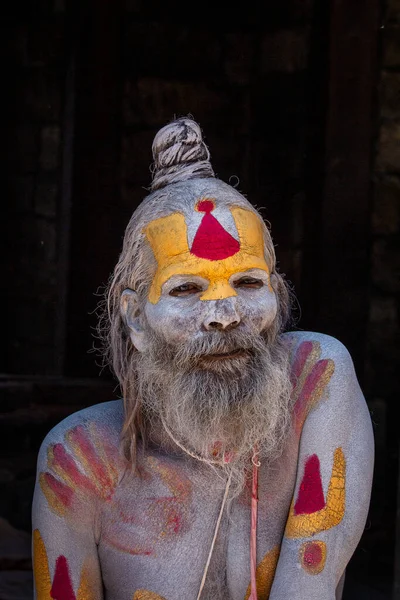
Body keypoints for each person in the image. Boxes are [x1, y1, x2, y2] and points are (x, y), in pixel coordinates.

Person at [32, 117, 374, 600]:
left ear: (275, 294)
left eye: (249, 282)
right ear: (135, 320)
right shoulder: (77, 465)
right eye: (187, 288)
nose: (224, 315)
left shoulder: (317, 381)